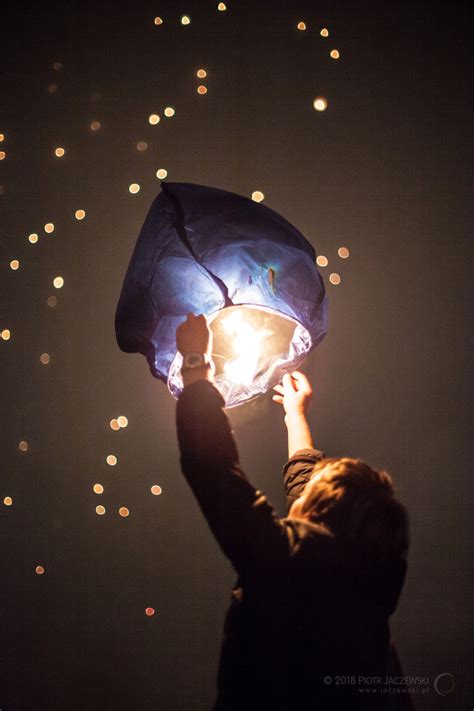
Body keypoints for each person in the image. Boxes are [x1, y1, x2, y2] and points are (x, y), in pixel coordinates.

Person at [176, 313, 411, 710]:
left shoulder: (281, 562)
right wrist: (295, 416)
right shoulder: (369, 611)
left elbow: (213, 469)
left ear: (319, 510)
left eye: (314, 489)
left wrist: (196, 365)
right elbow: (304, 488)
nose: (300, 493)